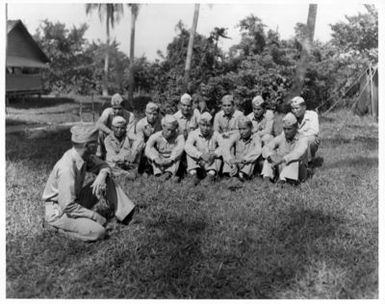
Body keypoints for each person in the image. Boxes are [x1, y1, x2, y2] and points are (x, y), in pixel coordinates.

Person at [42, 124, 136, 242]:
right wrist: (95, 216)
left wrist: (101, 176)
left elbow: (104, 166)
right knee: (99, 232)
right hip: (59, 212)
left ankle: (126, 215)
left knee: (106, 179)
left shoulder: (83, 155)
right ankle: (56, 229)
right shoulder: (67, 168)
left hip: (74, 201)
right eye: (95, 143)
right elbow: (67, 206)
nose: (98, 145)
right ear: (87, 145)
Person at [261, 112, 309, 186]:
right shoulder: (282, 137)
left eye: (289, 129)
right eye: (284, 129)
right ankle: (267, 181)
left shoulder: (303, 139)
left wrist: (282, 159)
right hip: (282, 167)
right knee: (269, 159)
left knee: (293, 161)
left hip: (297, 172)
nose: (286, 132)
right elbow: (267, 147)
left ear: (296, 128)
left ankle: (284, 182)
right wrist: (270, 155)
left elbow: (298, 153)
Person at [184, 112, 223, 186]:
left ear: (211, 126)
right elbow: (187, 146)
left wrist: (214, 154)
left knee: (219, 156)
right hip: (199, 162)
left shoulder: (216, 134)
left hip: (210, 162)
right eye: (203, 125)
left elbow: (223, 146)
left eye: (208, 125)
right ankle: (193, 176)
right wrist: (200, 155)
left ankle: (211, 176)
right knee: (189, 152)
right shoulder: (193, 133)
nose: (205, 128)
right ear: (199, 125)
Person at [145, 115, 185, 181]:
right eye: (168, 129)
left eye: (173, 130)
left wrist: (171, 159)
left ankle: (168, 174)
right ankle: (158, 174)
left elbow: (180, 148)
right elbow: (148, 148)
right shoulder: (156, 136)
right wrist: (155, 158)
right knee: (152, 152)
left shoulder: (179, 136)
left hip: (172, 158)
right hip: (160, 158)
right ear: (163, 126)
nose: (170, 133)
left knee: (178, 157)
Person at [222, 116, 262, 182]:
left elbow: (258, 150)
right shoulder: (236, 135)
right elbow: (226, 147)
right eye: (240, 129)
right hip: (236, 162)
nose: (241, 131)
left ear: (251, 128)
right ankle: (229, 175)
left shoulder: (256, 137)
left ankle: (242, 175)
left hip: (246, 162)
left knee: (251, 161)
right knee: (228, 154)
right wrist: (231, 161)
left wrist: (242, 160)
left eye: (244, 129)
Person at [96, 93, 136, 159]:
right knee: (100, 132)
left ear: (123, 107)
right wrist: (110, 132)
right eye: (115, 108)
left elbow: (130, 132)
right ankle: (99, 154)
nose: (117, 111)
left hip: (123, 137)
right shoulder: (108, 112)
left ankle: (127, 156)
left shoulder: (130, 115)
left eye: (119, 109)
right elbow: (98, 124)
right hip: (109, 136)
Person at [104, 116, 143, 180]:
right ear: (112, 127)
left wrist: (134, 153)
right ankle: (125, 174)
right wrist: (125, 157)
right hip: (116, 164)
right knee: (109, 162)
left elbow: (140, 140)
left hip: (128, 164)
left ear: (125, 128)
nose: (119, 130)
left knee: (138, 150)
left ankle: (123, 173)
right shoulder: (108, 139)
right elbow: (113, 157)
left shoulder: (128, 136)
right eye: (117, 128)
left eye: (122, 128)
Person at [135, 102, 163, 175]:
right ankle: (137, 169)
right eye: (150, 114)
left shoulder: (162, 122)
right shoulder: (140, 124)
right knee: (138, 146)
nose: (152, 116)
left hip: (159, 144)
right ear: (145, 113)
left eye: (154, 114)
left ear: (158, 114)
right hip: (145, 145)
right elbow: (140, 140)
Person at [290, 96, 320, 162]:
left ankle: (309, 161)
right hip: (295, 141)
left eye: (297, 108)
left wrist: (300, 136)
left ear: (304, 107)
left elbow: (314, 131)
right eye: (292, 109)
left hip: (308, 140)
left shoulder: (312, 115)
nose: (294, 111)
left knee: (311, 139)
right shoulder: (290, 117)